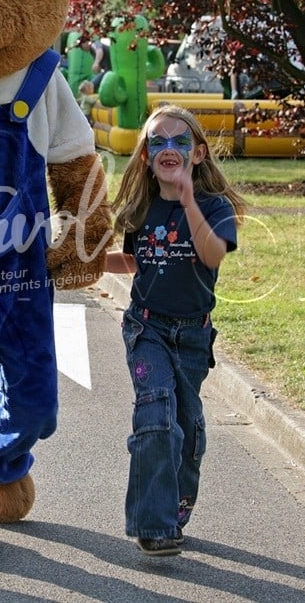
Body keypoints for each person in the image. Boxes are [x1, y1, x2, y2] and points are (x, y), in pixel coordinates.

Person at [105, 104, 246, 557]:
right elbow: (133, 263)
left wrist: (187, 199)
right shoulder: (142, 207)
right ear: (145, 156)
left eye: (179, 141)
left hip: (192, 337)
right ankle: (155, 525)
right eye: (157, 141)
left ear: (199, 154)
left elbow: (212, 254)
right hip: (146, 328)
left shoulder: (213, 207)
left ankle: (174, 507)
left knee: (187, 429)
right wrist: (71, 266)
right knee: (156, 414)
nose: (168, 147)